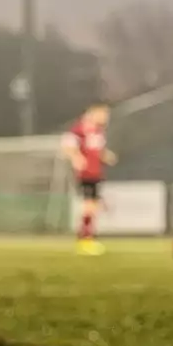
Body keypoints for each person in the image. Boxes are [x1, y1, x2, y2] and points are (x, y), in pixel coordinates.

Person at [61, 102, 115, 255]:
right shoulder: (81, 128)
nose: (106, 117)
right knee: (89, 205)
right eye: (104, 114)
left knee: (93, 207)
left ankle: (87, 237)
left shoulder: (98, 131)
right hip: (86, 173)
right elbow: (67, 144)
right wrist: (76, 157)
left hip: (95, 173)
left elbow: (98, 151)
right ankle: (85, 239)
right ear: (94, 112)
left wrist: (106, 156)